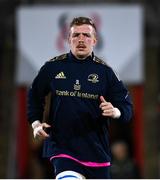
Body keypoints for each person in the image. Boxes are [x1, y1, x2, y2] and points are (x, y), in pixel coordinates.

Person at [27, 16, 133, 179]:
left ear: (95, 40)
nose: (81, 39)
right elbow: (34, 96)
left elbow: (127, 108)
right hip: (63, 149)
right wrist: (35, 123)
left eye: (86, 35)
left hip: (97, 153)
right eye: (76, 35)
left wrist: (115, 112)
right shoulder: (52, 68)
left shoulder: (106, 73)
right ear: (68, 39)